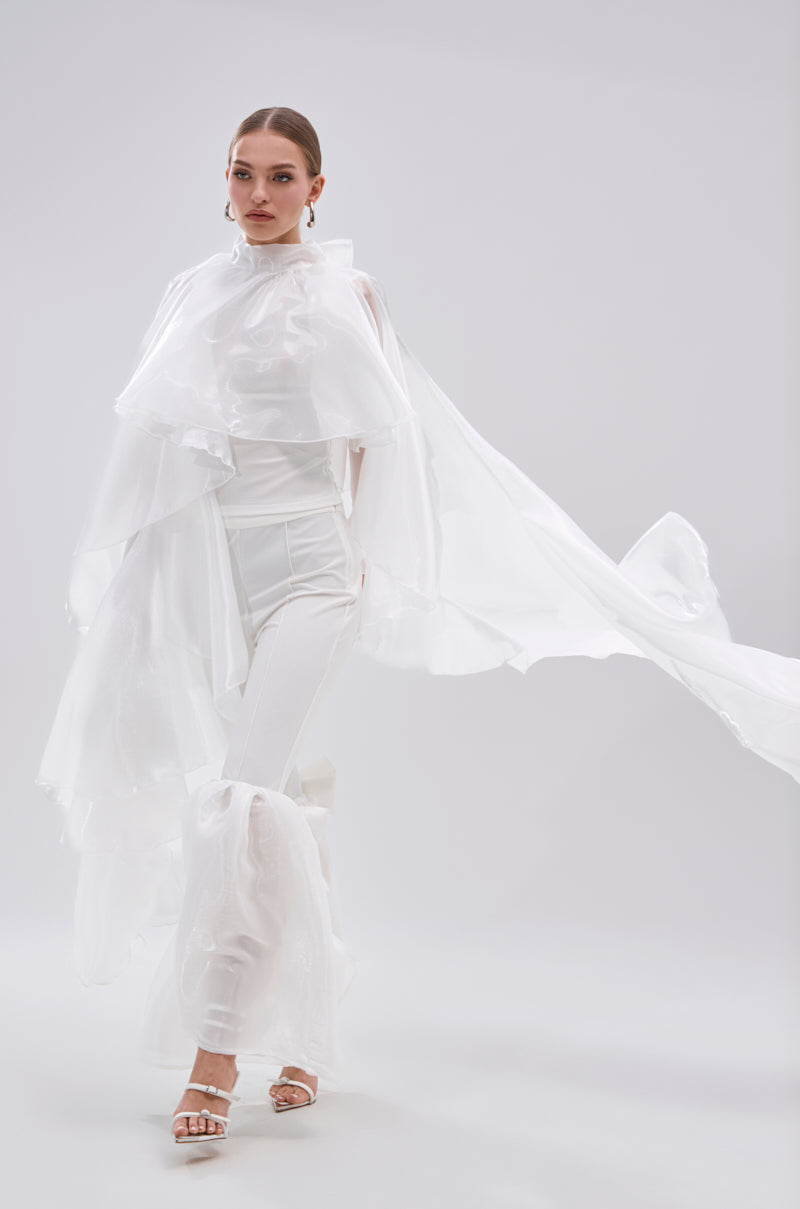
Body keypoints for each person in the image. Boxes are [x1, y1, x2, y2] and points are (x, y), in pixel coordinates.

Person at [36, 106, 800, 1145]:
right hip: (211, 577)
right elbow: (162, 452)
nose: (259, 194)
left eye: (281, 176)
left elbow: (381, 448)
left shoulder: (345, 296)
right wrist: (145, 580)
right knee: (279, 794)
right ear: (224, 182)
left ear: (316, 190)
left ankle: (214, 1052)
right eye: (242, 173)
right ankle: (308, 1027)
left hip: (311, 573)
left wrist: (357, 571)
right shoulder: (189, 292)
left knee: (242, 797)